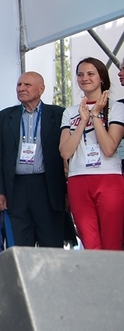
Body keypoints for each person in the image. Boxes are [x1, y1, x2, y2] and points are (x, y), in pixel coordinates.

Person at [0, 72, 66, 248]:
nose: (21, 88)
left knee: (51, 244)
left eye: (27, 85)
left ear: (41, 89)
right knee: (19, 244)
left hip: (47, 187)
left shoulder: (58, 114)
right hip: (16, 188)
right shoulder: (5, 116)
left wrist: (67, 191)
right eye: (19, 85)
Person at [59, 58, 124, 250]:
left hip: (108, 177)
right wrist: (82, 121)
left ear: (101, 77)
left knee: (112, 241)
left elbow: (109, 148)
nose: (84, 78)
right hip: (78, 178)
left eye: (90, 74)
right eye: (80, 74)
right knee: (89, 242)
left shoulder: (117, 108)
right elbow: (65, 151)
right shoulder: (70, 112)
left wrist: (95, 115)